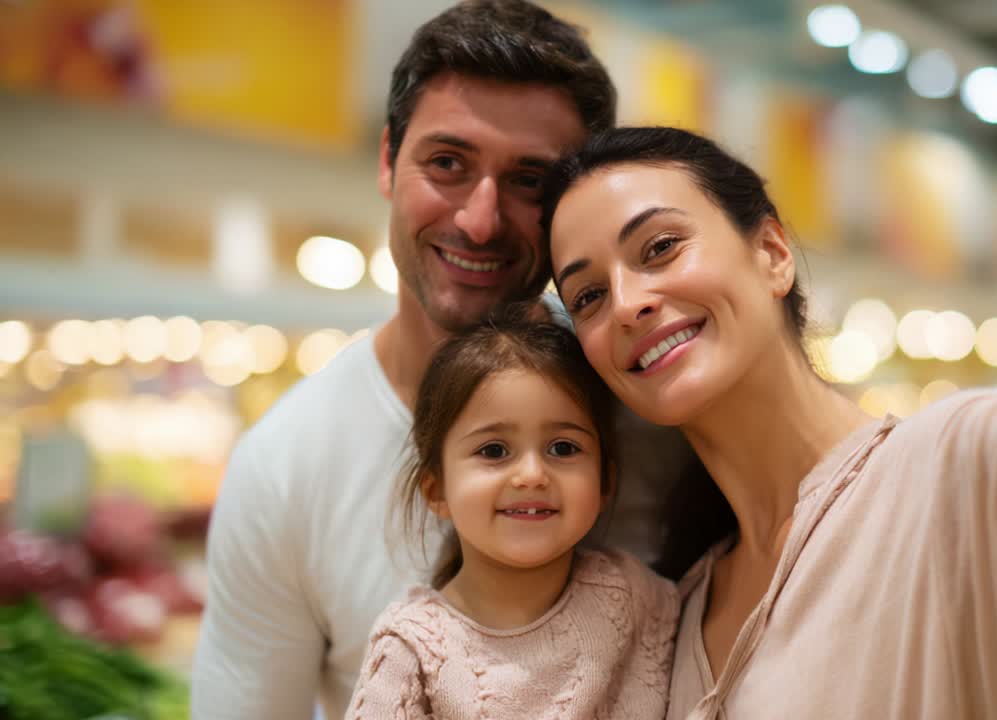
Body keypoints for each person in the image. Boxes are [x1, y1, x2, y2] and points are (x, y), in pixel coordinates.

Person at [541, 126, 997, 718]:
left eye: (660, 247)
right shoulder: (681, 601)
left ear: (771, 253)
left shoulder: (949, 479)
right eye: (588, 296)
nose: (629, 300)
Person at [192, 4, 690, 718]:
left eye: (530, 182)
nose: (480, 220)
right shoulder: (285, 467)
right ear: (389, 161)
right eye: (448, 163)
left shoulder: (651, 402)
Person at [345, 314, 678, 719]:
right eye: (494, 451)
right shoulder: (410, 648)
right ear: (437, 491)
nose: (532, 475)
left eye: (562, 448)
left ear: (604, 481)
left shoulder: (637, 595)